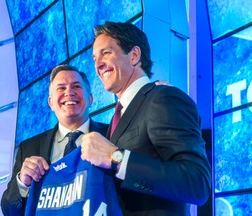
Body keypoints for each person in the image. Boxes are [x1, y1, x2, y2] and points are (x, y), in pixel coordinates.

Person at [81, 21, 212, 215]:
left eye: (106, 53)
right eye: (94, 58)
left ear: (134, 55)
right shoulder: (118, 118)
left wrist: (116, 157)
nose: (98, 64)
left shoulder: (163, 98)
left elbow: (197, 183)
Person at [1, 65, 109, 215]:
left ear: (90, 98)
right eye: (61, 88)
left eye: (76, 86)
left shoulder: (112, 135)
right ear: (50, 103)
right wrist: (23, 183)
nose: (69, 93)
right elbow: (9, 211)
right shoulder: (29, 148)